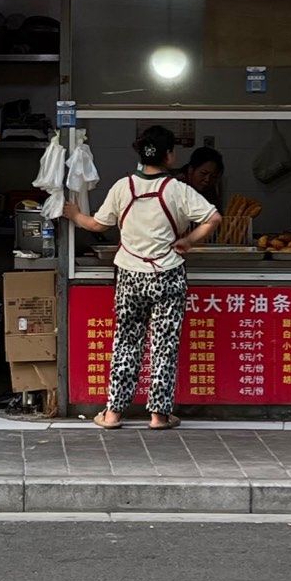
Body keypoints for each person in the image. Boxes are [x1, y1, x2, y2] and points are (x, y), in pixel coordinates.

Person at [68, 124, 219, 428]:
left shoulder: (123, 187)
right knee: (164, 345)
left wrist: (72, 214)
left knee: (126, 341)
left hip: (129, 275)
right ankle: (159, 416)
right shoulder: (177, 189)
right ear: (169, 155)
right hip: (167, 274)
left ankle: (112, 414)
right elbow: (213, 218)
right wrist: (188, 241)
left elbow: (98, 225)